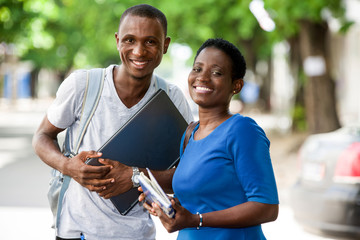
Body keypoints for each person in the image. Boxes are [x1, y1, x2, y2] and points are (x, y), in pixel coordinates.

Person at [32, 4, 193, 240]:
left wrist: (135, 176)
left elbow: (188, 174)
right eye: (129, 40)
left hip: (137, 234)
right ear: (117, 41)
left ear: (165, 45)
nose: (139, 51)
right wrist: (68, 167)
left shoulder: (171, 98)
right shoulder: (83, 85)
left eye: (150, 41)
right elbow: (41, 136)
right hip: (76, 233)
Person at [140, 38, 279, 240]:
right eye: (197, 69)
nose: (202, 78)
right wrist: (169, 208)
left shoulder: (242, 130)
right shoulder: (190, 133)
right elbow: (197, 199)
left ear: (236, 85)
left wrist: (196, 220)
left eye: (217, 73)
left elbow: (266, 207)